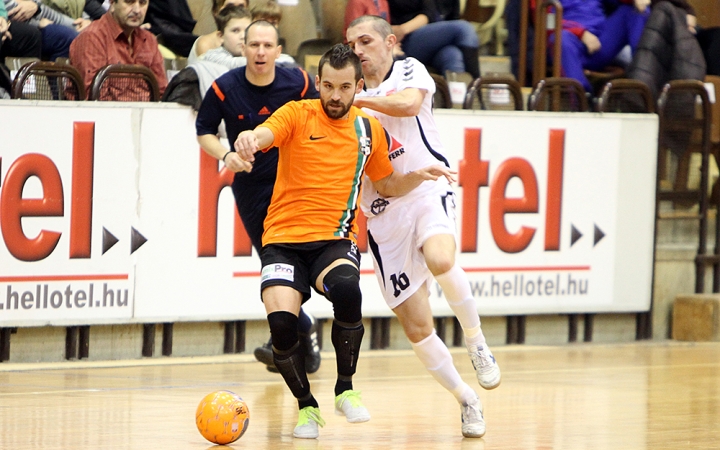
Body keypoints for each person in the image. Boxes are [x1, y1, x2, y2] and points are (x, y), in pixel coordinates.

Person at [233, 43, 455, 439]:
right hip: (282, 241)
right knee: (283, 326)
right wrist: (249, 139)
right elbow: (264, 133)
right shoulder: (298, 114)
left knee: (348, 292)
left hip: (333, 239)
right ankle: (306, 408)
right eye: (329, 86)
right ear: (318, 82)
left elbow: (386, 183)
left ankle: (345, 388)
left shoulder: (367, 128)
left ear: (358, 88)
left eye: (345, 87)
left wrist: (417, 176)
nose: (335, 96)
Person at [346, 15, 500, 438]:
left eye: (365, 41)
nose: (358, 50)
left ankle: (475, 340)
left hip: (428, 184)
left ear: (389, 42)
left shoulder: (408, 69)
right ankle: (466, 398)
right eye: (351, 44)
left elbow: (409, 104)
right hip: (381, 211)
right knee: (417, 327)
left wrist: (357, 103)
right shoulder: (348, 91)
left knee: (439, 257)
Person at [195, 20, 322, 375]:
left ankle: (288, 335)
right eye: (254, 45)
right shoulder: (225, 88)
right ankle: (299, 330)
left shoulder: (298, 81)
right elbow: (204, 130)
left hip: (295, 188)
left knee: (287, 264)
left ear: (278, 50)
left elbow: (321, 119)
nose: (261, 52)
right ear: (243, 48)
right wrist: (225, 156)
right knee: (272, 264)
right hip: (251, 189)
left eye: (268, 46)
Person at [534, 0, 650, 92]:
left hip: (600, 41)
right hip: (568, 43)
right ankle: (582, 98)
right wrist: (581, 33)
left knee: (636, 10)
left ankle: (641, 82)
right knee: (560, 38)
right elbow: (543, 20)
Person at [69, 0, 168, 100]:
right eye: (129, 2)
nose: (137, 10)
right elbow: (94, 100)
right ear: (112, 3)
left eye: (142, 3)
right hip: (105, 114)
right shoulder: (92, 38)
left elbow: (162, 93)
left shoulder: (149, 40)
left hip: (146, 113)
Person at [386, 0, 480, 79]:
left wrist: (403, 29)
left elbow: (429, 14)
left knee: (452, 54)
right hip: (401, 41)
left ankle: (459, 99)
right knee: (464, 28)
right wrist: (401, 30)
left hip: (428, 37)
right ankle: (477, 86)